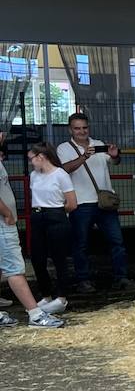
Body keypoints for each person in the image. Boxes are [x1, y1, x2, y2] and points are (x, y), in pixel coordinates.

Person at [57, 111, 131, 293]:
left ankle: (121, 277)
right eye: (77, 128)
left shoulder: (99, 145)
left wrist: (114, 155)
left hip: (103, 201)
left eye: (84, 128)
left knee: (117, 241)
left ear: (88, 127)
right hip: (81, 202)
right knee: (81, 244)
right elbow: (64, 169)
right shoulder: (63, 148)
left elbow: (116, 162)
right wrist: (84, 157)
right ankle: (83, 280)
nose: (82, 131)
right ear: (70, 130)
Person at [0, 133, 66, 328]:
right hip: (3, 222)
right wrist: (7, 213)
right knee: (15, 268)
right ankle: (35, 314)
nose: (2, 134)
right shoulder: (37, 175)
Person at [27, 142, 77, 303]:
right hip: (37, 216)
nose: (30, 162)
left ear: (41, 157)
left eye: (31, 158)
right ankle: (46, 295)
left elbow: (72, 203)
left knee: (59, 258)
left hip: (55, 216)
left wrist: (57, 213)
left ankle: (61, 296)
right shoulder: (34, 175)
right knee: (37, 258)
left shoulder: (60, 174)